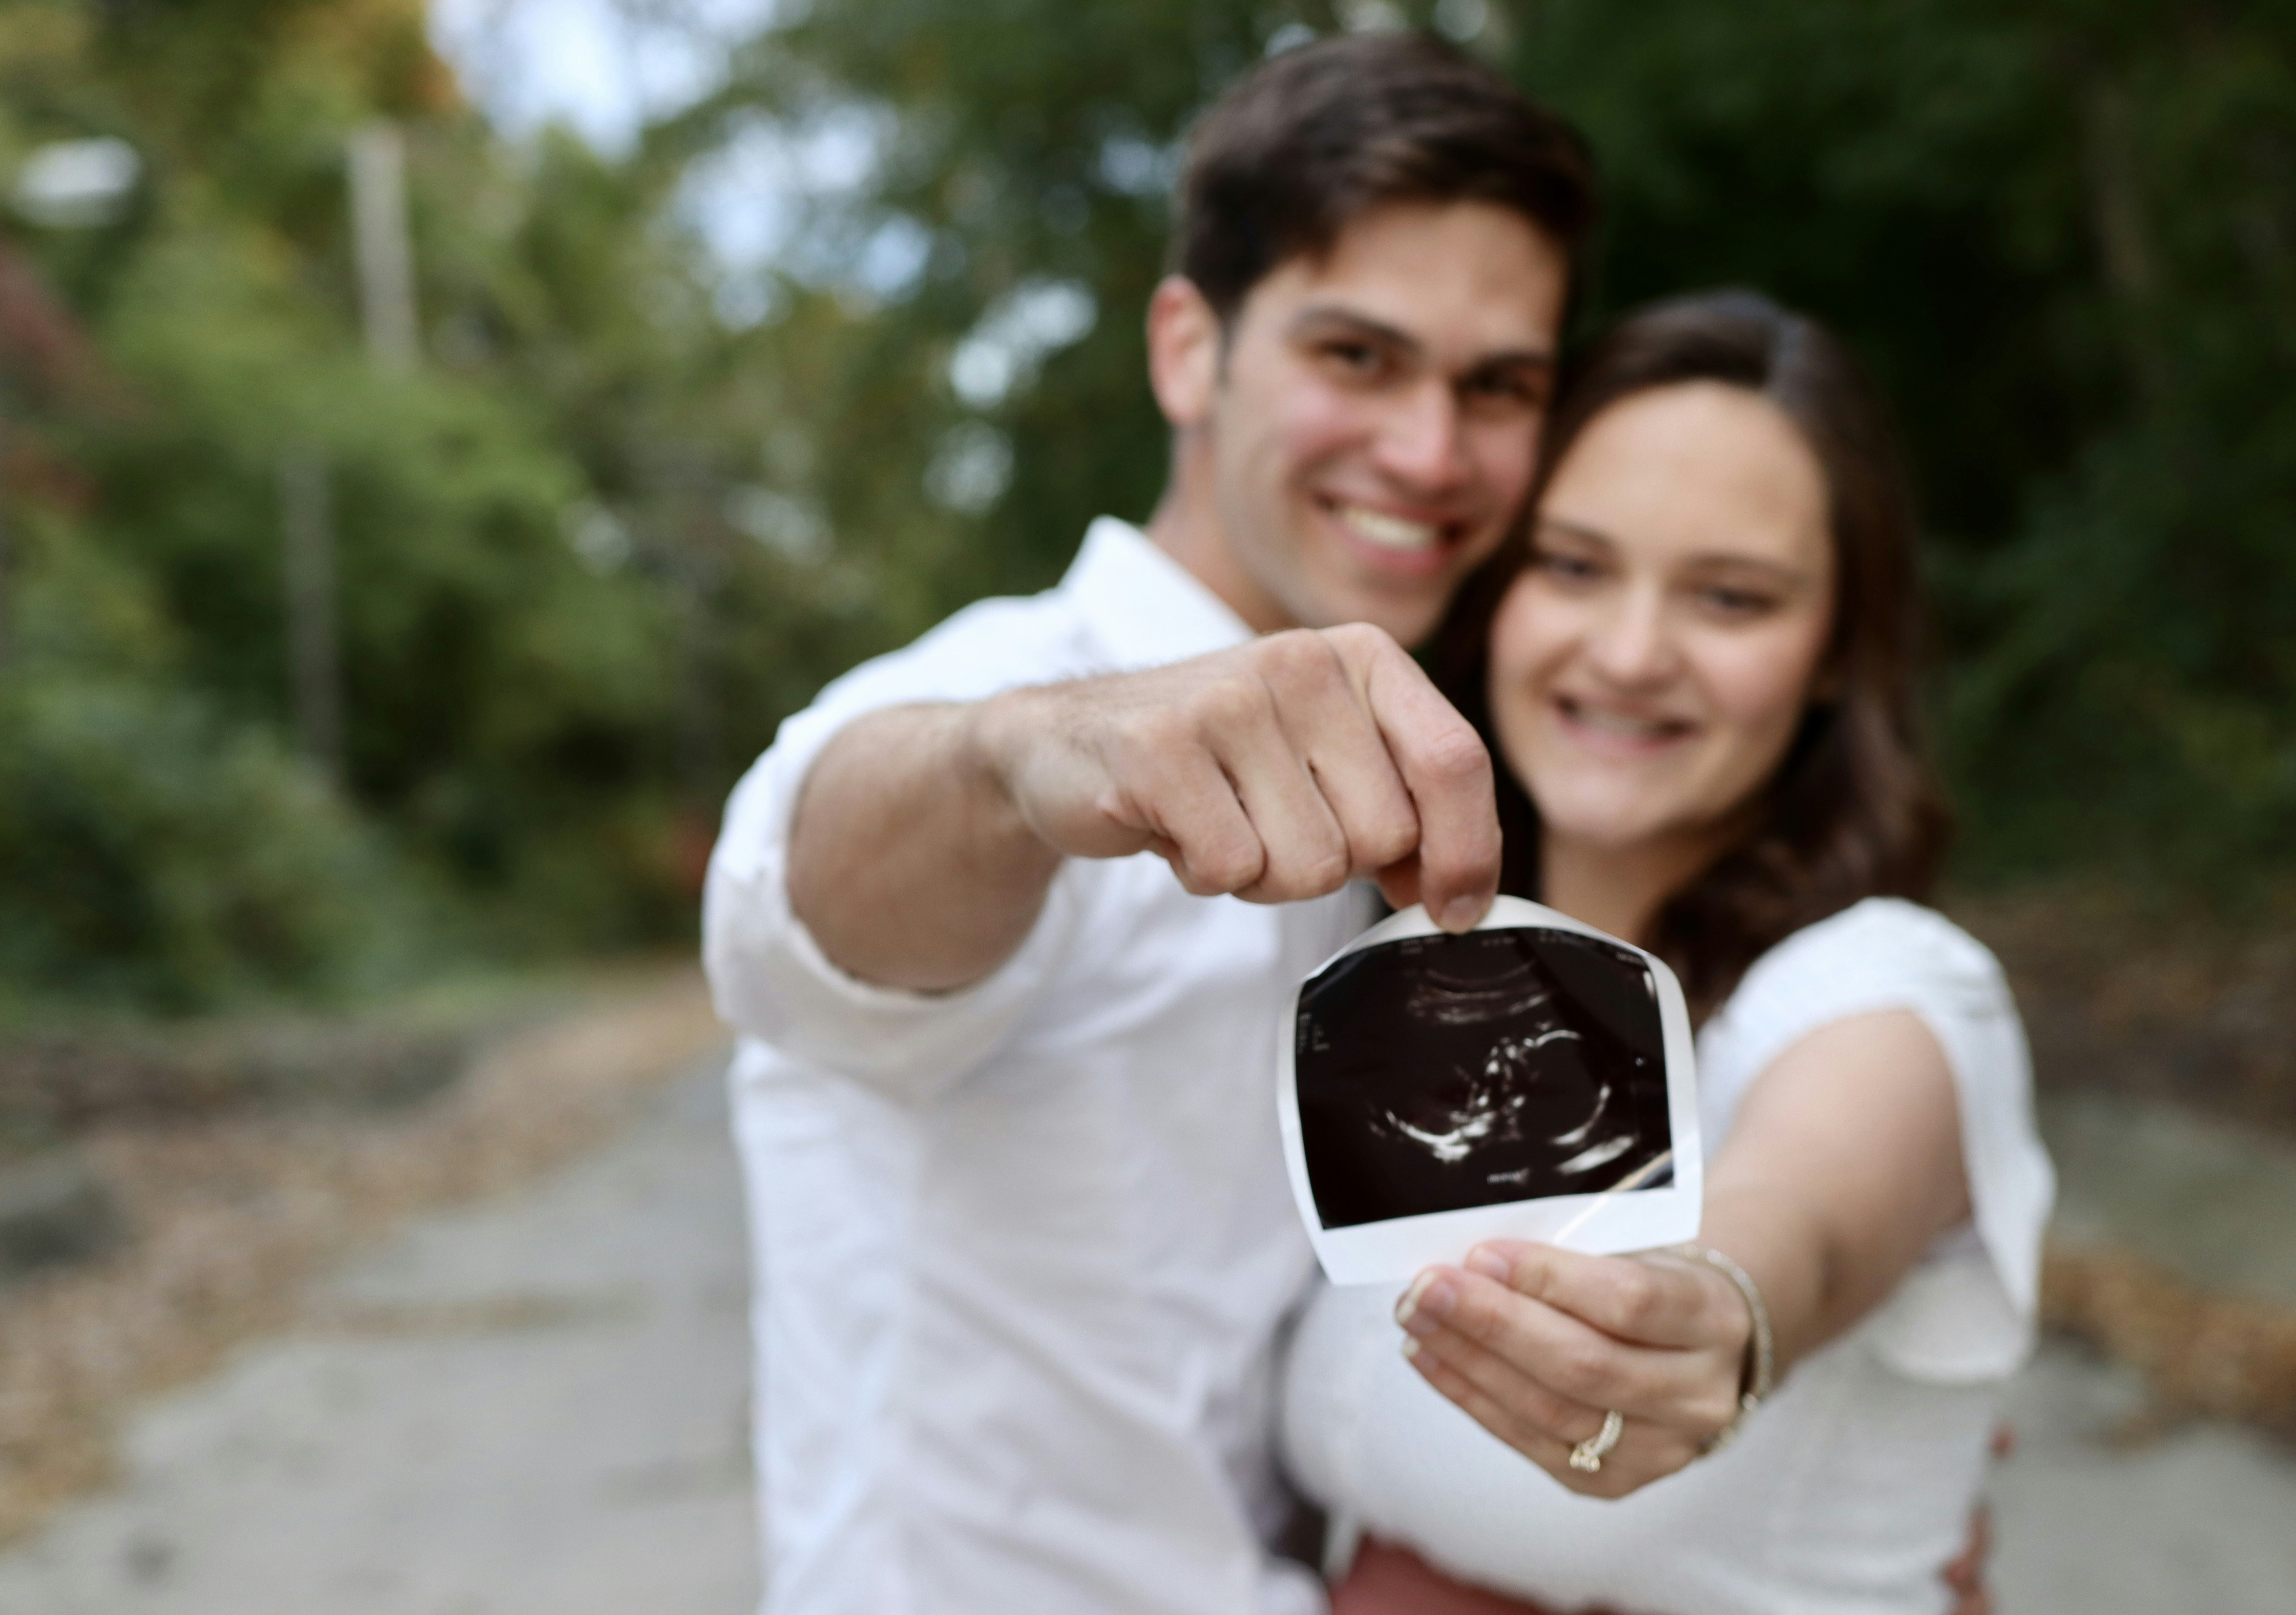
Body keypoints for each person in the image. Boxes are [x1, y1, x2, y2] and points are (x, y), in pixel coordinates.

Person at [702, 34, 1594, 1615]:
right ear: (1190, 351)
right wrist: (1028, 760)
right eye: (1358, 356)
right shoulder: (1007, 699)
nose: (1431, 452)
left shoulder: (1441, 774)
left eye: (1497, 385)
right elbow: (800, 911)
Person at [1279, 291, 2057, 1615]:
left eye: (1731, 597)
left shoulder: (1891, 990)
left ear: (1832, 655)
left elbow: (1797, 1227)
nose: (1631, 653)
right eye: (1574, 566)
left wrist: (1718, 1312)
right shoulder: (1402, 983)